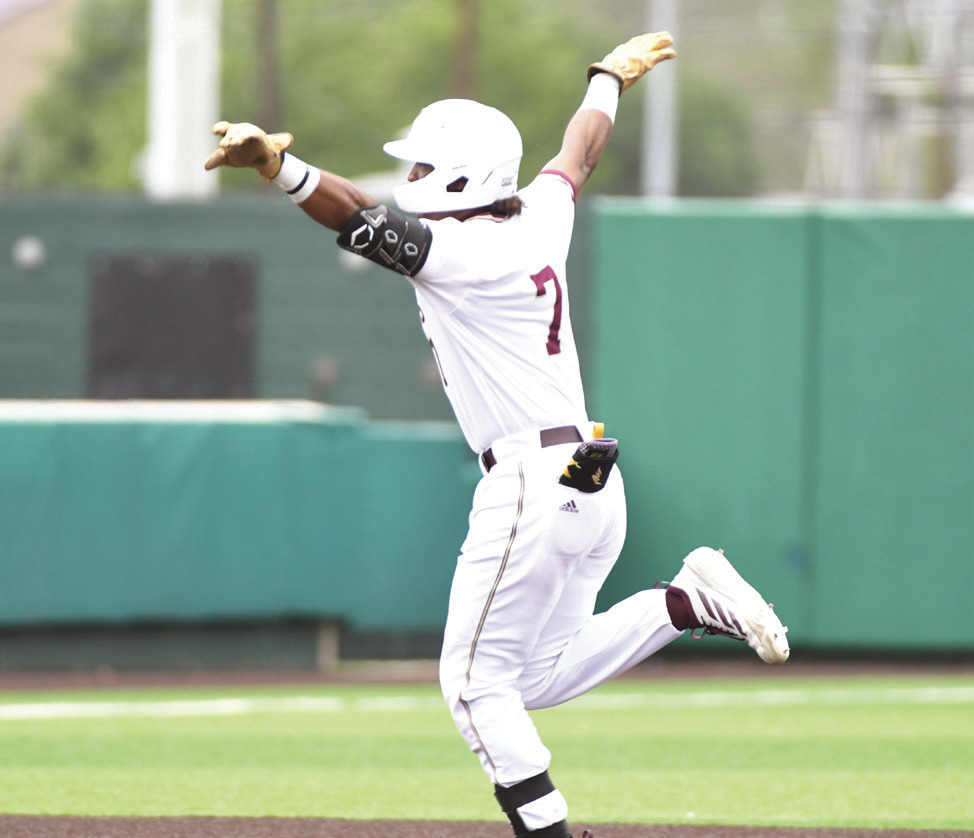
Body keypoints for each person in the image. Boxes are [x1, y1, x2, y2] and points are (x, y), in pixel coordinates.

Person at [204, 31, 789, 838]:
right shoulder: (538, 217)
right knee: (531, 678)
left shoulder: (463, 250)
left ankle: (547, 832)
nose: (411, 177)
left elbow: (358, 218)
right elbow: (577, 156)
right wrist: (607, 81)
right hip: (590, 475)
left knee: (474, 685)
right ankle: (685, 601)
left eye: (422, 165)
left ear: (461, 175)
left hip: (531, 478)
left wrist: (278, 165)